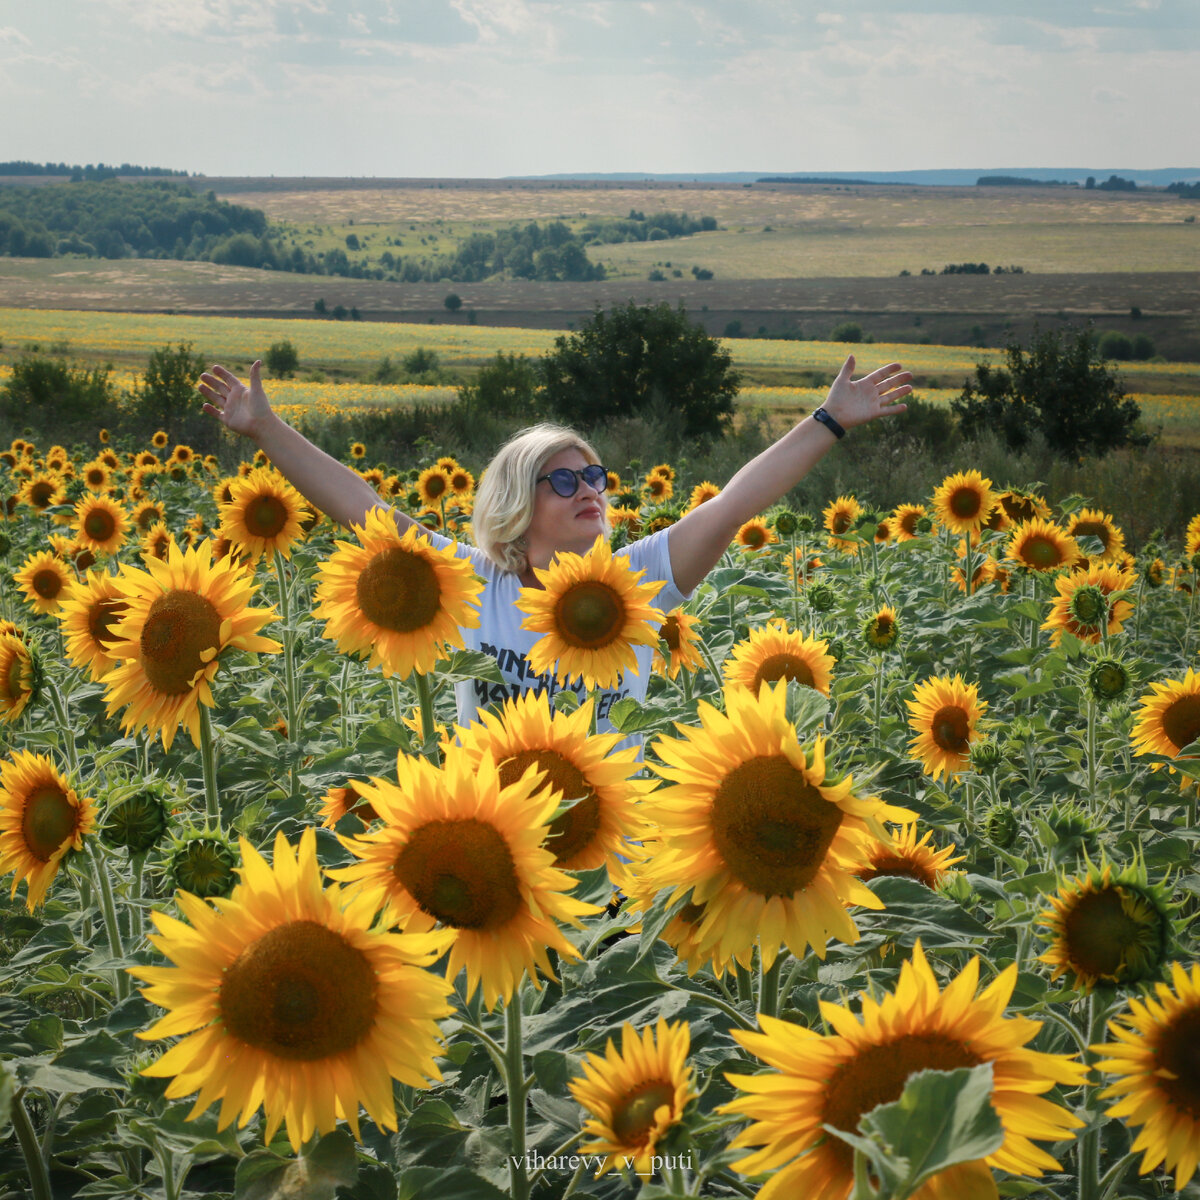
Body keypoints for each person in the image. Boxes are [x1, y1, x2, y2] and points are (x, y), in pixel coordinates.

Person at [198, 355, 910, 736]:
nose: (588, 489)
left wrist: (829, 421)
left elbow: (736, 503)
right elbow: (364, 509)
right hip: (496, 845)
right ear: (516, 503)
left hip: (605, 858)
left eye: (594, 474)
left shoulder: (638, 581)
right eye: (562, 479)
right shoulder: (475, 583)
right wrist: (265, 429)